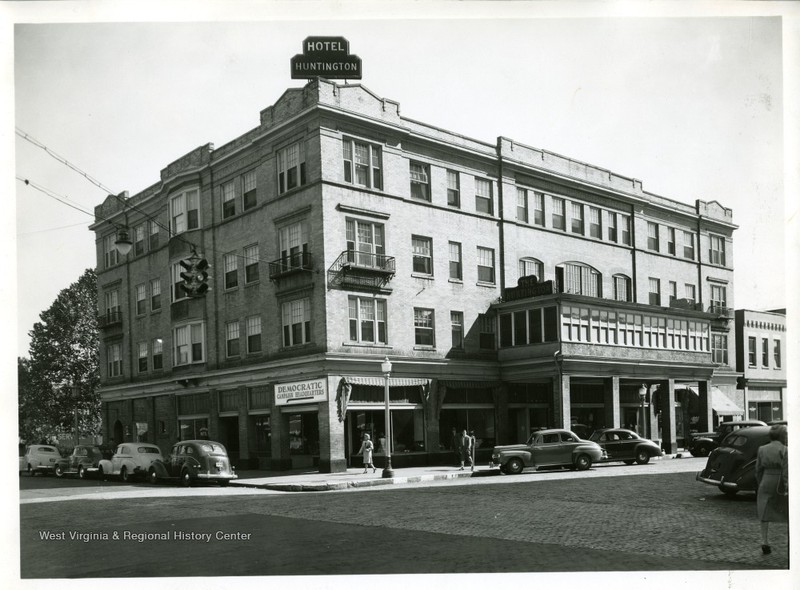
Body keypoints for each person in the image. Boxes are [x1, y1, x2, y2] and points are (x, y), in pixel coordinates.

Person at [755, 424, 788, 554]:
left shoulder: (762, 449)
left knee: (764, 511)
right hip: (779, 480)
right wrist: (787, 486)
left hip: (766, 480)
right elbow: (786, 471)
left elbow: (758, 469)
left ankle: (764, 541)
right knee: (786, 509)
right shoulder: (785, 449)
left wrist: (760, 483)